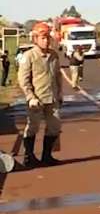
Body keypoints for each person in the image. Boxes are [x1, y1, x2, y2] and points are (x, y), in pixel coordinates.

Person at [18, 22, 63, 167]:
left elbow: (57, 76)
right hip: (37, 99)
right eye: (43, 38)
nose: (46, 40)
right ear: (35, 39)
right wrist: (30, 97)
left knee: (54, 127)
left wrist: (60, 93)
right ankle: (29, 157)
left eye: (47, 38)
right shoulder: (29, 56)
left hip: (52, 97)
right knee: (33, 127)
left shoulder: (54, 55)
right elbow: (23, 80)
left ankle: (46, 156)